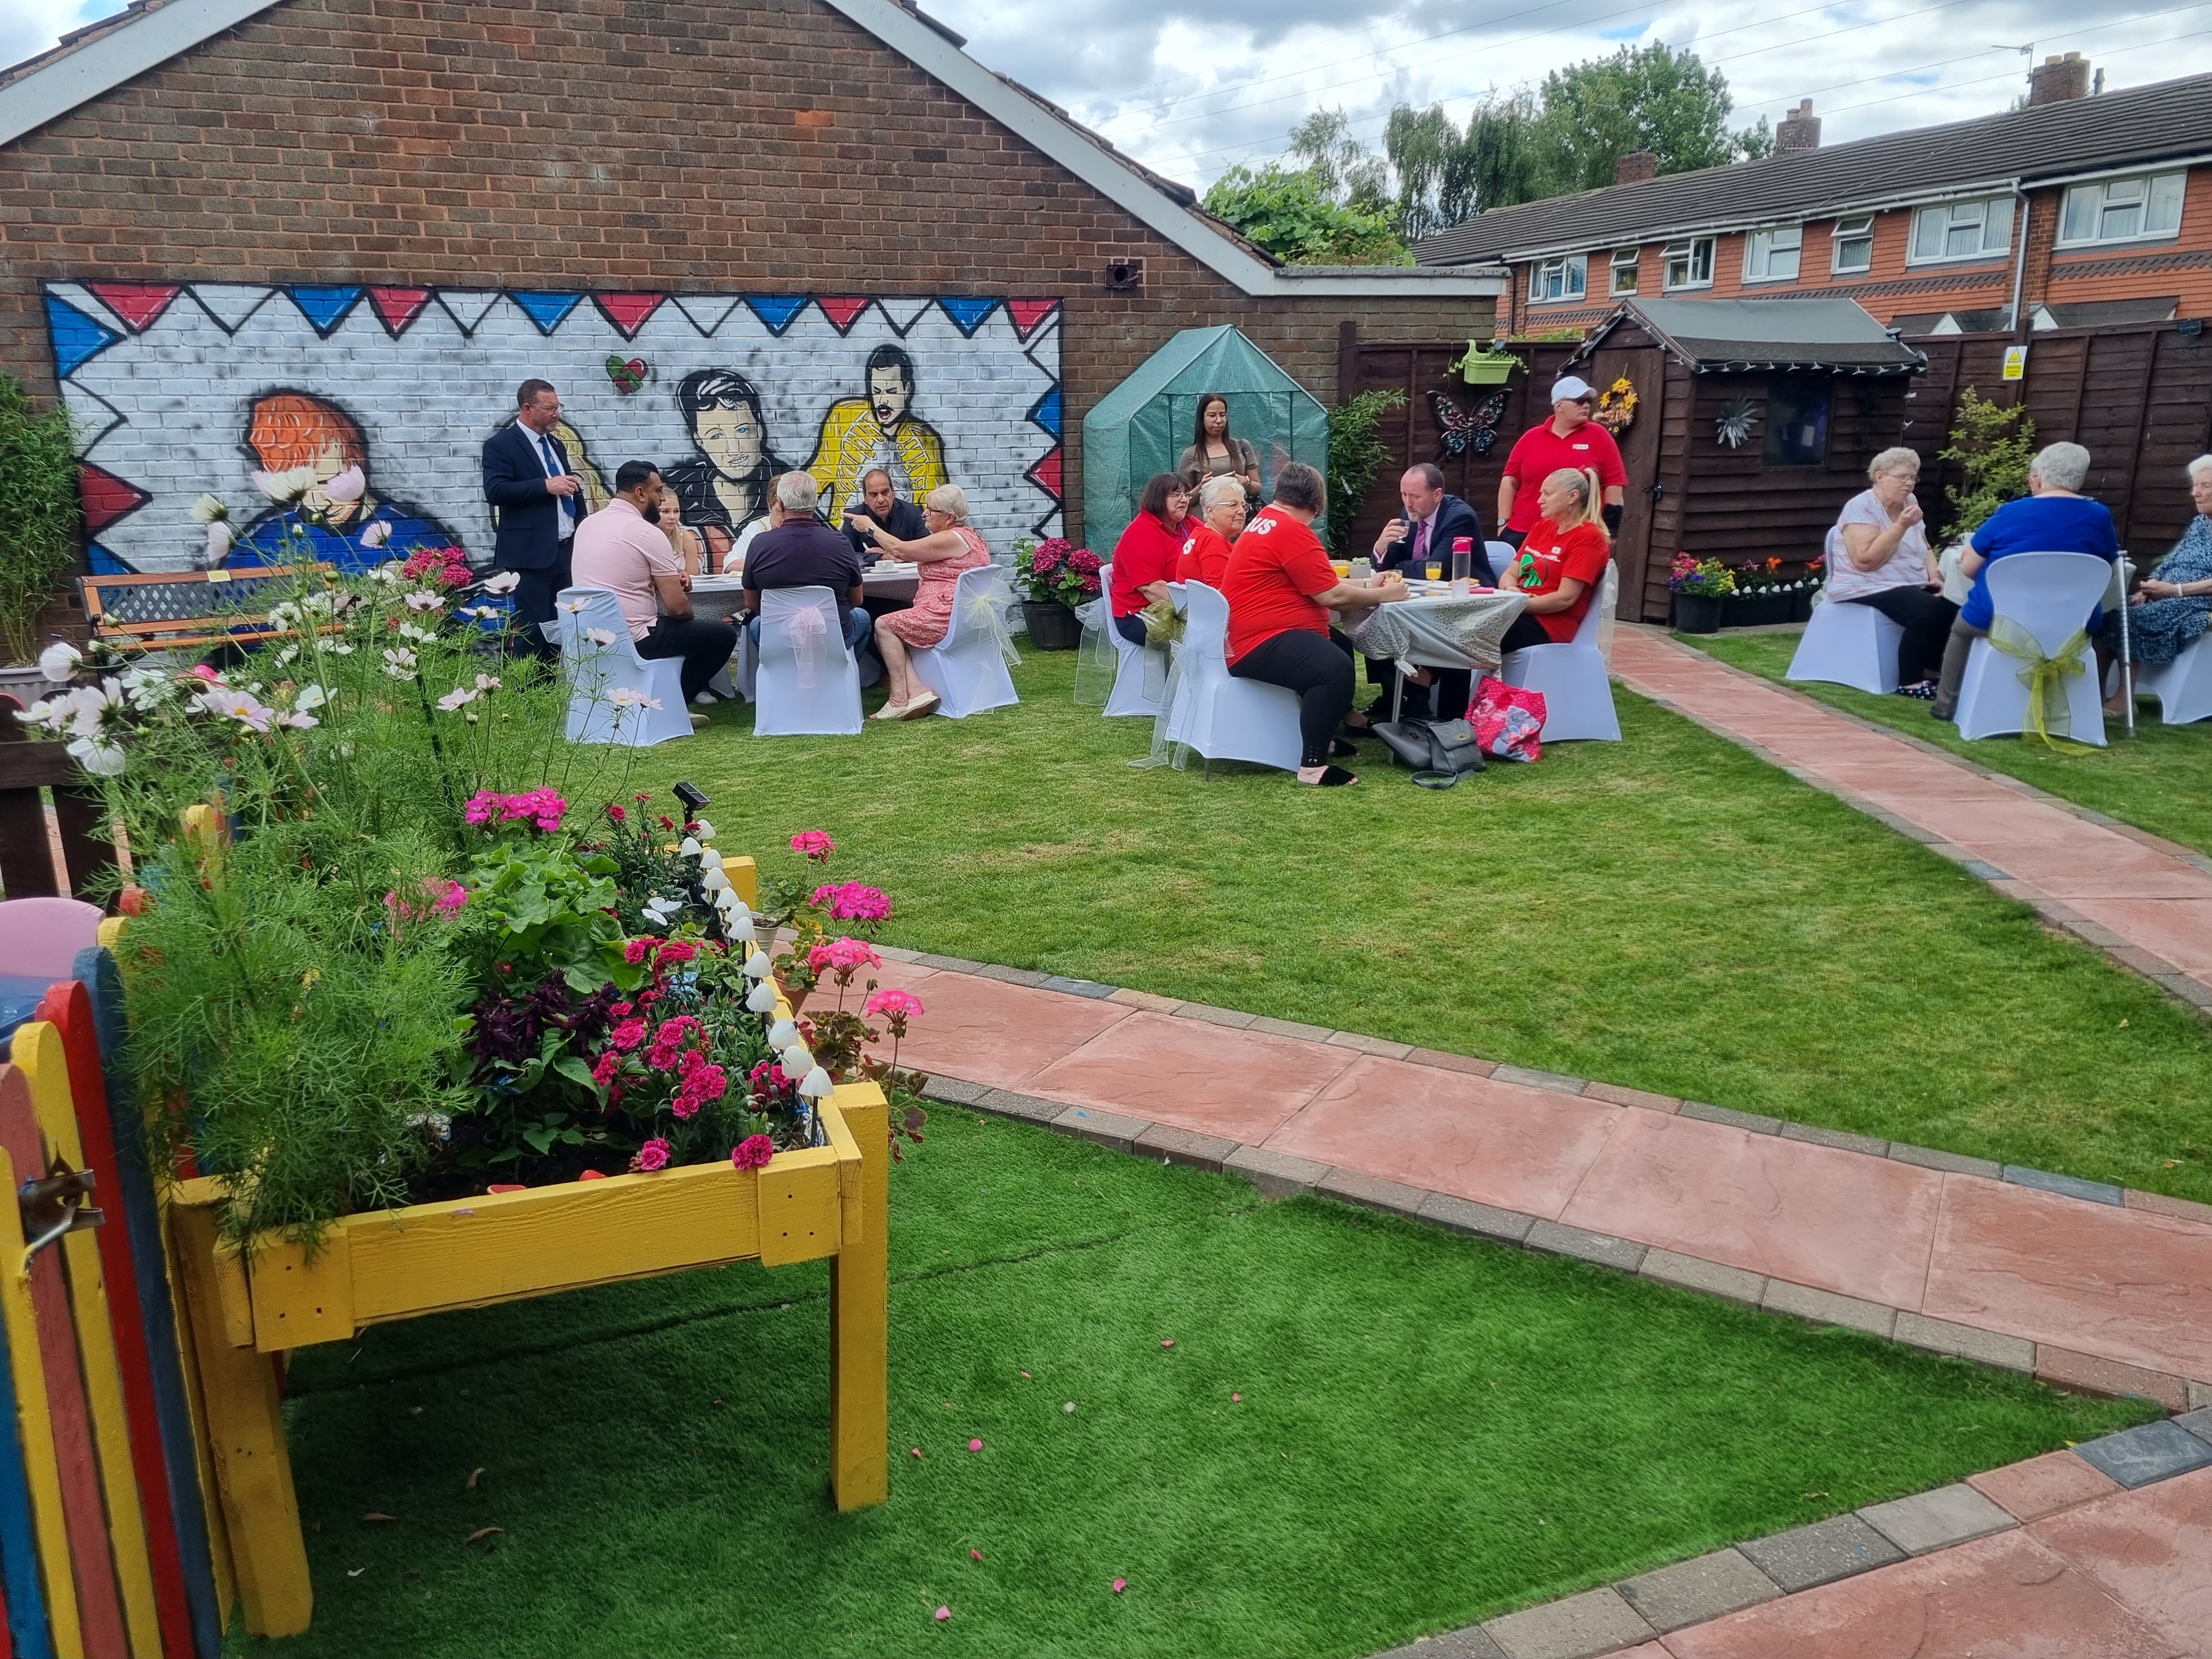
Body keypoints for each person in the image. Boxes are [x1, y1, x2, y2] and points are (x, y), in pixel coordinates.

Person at [1223, 461, 1408, 788]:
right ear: (1316, 504)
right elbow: (1332, 597)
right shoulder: (1292, 531)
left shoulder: (1266, 521)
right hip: (1257, 641)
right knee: (1332, 668)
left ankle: (1328, 734)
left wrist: (1370, 587)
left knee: (1337, 645)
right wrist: (1386, 594)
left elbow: (1315, 584)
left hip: (1247, 635)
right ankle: (1312, 766)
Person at [1932, 442, 2118, 722]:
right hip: (2071, 625)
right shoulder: (2100, 516)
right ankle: (2091, 705)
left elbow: (1969, 568)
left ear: (2039, 477)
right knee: (2107, 619)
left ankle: (1946, 704)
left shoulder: (2011, 513)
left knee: (1961, 630)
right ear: (2079, 479)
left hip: (2000, 621)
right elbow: (2109, 572)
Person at [569, 461, 737, 715]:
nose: (661, 499)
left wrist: (653, 581)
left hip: (588, 636)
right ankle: (670, 705)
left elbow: (617, 574)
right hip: (637, 638)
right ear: (640, 493)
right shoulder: (646, 533)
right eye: (658, 491)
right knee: (722, 635)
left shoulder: (587, 525)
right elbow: (679, 609)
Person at [225, 392, 455, 572]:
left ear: (355, 461)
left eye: (327, 481)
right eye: (300, 491)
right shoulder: (263, 545)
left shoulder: (417, 536)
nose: (320, 502)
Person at [1825, 447, 1955, 698]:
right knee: (1926, 611)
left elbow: (1924, 545)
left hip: (1905, 581)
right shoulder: (1861, 507)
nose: (1909, 484)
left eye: (1913, 478)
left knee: (1953, 606)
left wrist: (1935, 576)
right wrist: (1901, 525)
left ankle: (1934, 672)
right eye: (1903, 477)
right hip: (1864, 583)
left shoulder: (1910, 503)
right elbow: (1865, 561)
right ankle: (1910, 682)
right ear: (1880, 476)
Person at [856, 483, 992, 721]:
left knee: (883, 625)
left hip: (945, 616)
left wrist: (871, 528)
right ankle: (917, 691)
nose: (925, 514)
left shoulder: (952, 538)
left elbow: (900, 550)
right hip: (958, 614)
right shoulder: (968, 536)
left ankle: (899, 698)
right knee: (891, 621)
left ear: (949, 517)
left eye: (931, 510)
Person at [1368, 462, 1486, 721]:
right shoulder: (1409, 514)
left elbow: (1437, 568)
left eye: (1415, 497)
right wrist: (1380, 546)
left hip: (1463, 601)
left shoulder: (1460, 518)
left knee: (1447, 626)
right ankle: (1396, 693)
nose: (1408, 504)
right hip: (1422, 597)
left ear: (1437, 494)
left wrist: (1398, 568)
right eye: (1404, 495)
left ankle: (1431, 701)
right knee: (1374, 614)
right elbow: (1386, 566)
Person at [483, 379, 582, 658]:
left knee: (566, 624)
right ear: (528, 408)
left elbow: (568, 486)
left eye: (558, 407)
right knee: (535, 630)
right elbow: (496, 490)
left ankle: (560, 689)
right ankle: (529, 694)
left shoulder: (556, 445)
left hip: (565, 550)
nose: (556, 414)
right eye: (550, 408)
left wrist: (583, 524)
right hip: (530, 555)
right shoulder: (500, 445)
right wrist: (545, 486)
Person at [2104, 454, 2212, 701]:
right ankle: (2098, 693)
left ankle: (2124, 699)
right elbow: (2172, 561)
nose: (2195, 493)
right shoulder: (2200, 524)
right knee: (2111, 612)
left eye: (2204, 486)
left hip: (2199, 601)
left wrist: (2176, 591)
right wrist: (2149, 588)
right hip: (2170, 595)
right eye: (2195, 486)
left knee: (2129, 620)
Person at [662, 369, 789, 569]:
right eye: (716, 436)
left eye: (742, 430)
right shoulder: (681, 496)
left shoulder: (789, 491)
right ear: (699, 441)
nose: (734, 449)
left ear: (759, 428)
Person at [743, 472, 872, 665]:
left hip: (779, 640)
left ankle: (781, 673)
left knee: (756, 626)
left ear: (780, 504)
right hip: (832, 638)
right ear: (815, 503)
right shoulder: (840, 544)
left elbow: (752, 603)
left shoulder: (759, 544)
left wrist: (791, 621)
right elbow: (856, 600)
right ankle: (842, 671)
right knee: (862, 618)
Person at [808, 344, 948, 521]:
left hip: (900, 541)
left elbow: (936, 508)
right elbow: (817, 477)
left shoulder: (926, 442)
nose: (882, 400)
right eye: (876, 391)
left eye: (891, 391)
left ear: (907, 390)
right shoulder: (845, 418)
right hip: (848, 535)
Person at [1494, 467, 1613, 656]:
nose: (1540, 500)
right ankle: (1434, 681)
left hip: (1548, 625)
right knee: (1461, 632)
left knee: (1475, 637)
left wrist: (1517, 604)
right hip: (1518, 611)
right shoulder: (1542, 527)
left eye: (1547, 494)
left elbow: (1565, 598)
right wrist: (1510, 590)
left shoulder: (1588, 537)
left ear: (1572, 497)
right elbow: (1510, 573)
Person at [1497, 376, 1626, 549]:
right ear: (1559, 406)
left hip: (1577, 533)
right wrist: (1502, 523)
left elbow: (1614, 486)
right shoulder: (1531, 438)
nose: (1586, 405)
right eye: (1579, 401)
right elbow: (1509, 480)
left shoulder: (1600, 436)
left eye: (1588, 401)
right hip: (1524, 530)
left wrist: (1611, 532)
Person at [1108, 473, 1191, 646]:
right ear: (1158, 499)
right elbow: (1151, 589)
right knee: (1198, 635)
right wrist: (1197, 609)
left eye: (1186, 495)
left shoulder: (1187, 524)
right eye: (1176, 495)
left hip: (1179, 604)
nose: (1184, 500)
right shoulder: (1140, 534)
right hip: (1140, 612)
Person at [1176, 393, 1260, 507]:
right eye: (1212, 415)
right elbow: (1183, 500)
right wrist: (1201, 487)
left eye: (1222, 415)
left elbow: (1257, 489)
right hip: (1204, 521)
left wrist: (1246, 482)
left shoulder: (1242, 447)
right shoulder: (1191, 455)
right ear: (1202, 419)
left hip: (1237, 518)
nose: (1219, 420)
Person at [843, 466, 928, 566]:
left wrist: (890, 553)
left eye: (885, 492)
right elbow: (845, 555)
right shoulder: (855, 517)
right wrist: (881, 557)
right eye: (874, 495)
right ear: (865, 497)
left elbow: (926, 549)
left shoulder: (911, 512)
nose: (881, 500)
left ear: (893, 492)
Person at [1178, 476, 1245, 588]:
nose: (1241, 511)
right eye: (1233, 505)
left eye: (1243, 505)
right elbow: (1221, 594)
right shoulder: (1212, 542)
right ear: (1211, 511)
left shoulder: (1200, 535)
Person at [653, 489, 707, 578]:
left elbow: (693, 579)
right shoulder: (644, 539)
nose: (673, 517)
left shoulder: (686, 538)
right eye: (666, 512)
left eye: (676, 511)